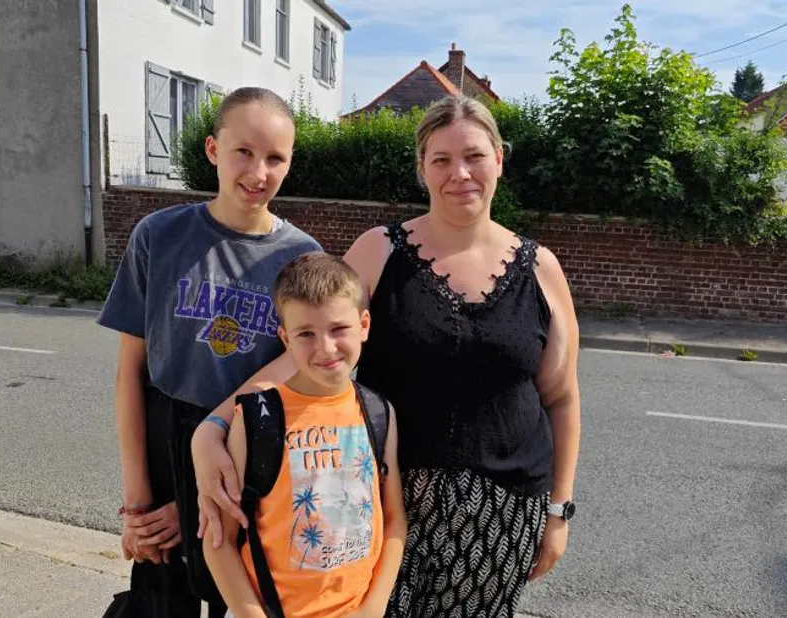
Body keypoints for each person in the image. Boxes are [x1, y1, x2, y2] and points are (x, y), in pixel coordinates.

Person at [192, 94, 582, 617]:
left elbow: (560, 397)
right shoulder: (380, 250)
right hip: (381, 503)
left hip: (504, 510)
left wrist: (558, 512)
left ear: (499, 160)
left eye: (474, 157)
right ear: (422, 168)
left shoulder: (542, 269)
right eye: (441, 159)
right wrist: (213, 426)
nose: (459, 173)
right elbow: (309, 351)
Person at [96, 86, 321, 617]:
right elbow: (132, 372)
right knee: (163, 601)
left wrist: (199, 500)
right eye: (243, 151)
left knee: (239, 600)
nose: (258, 171)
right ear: (212, 150)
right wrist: (139, 503)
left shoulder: (302, 259)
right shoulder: (159, 235)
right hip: (164, 436)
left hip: (250, 448)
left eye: (275, 158)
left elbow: (292, 389)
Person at [203, 251, 406, 618]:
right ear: (285, 337)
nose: (326, 348)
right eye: (306, 334)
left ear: (364, 324)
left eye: (338, 329)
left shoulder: (378, 413)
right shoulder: (256, 419)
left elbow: (394, 521)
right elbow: (220, 542)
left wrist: (373, 608)